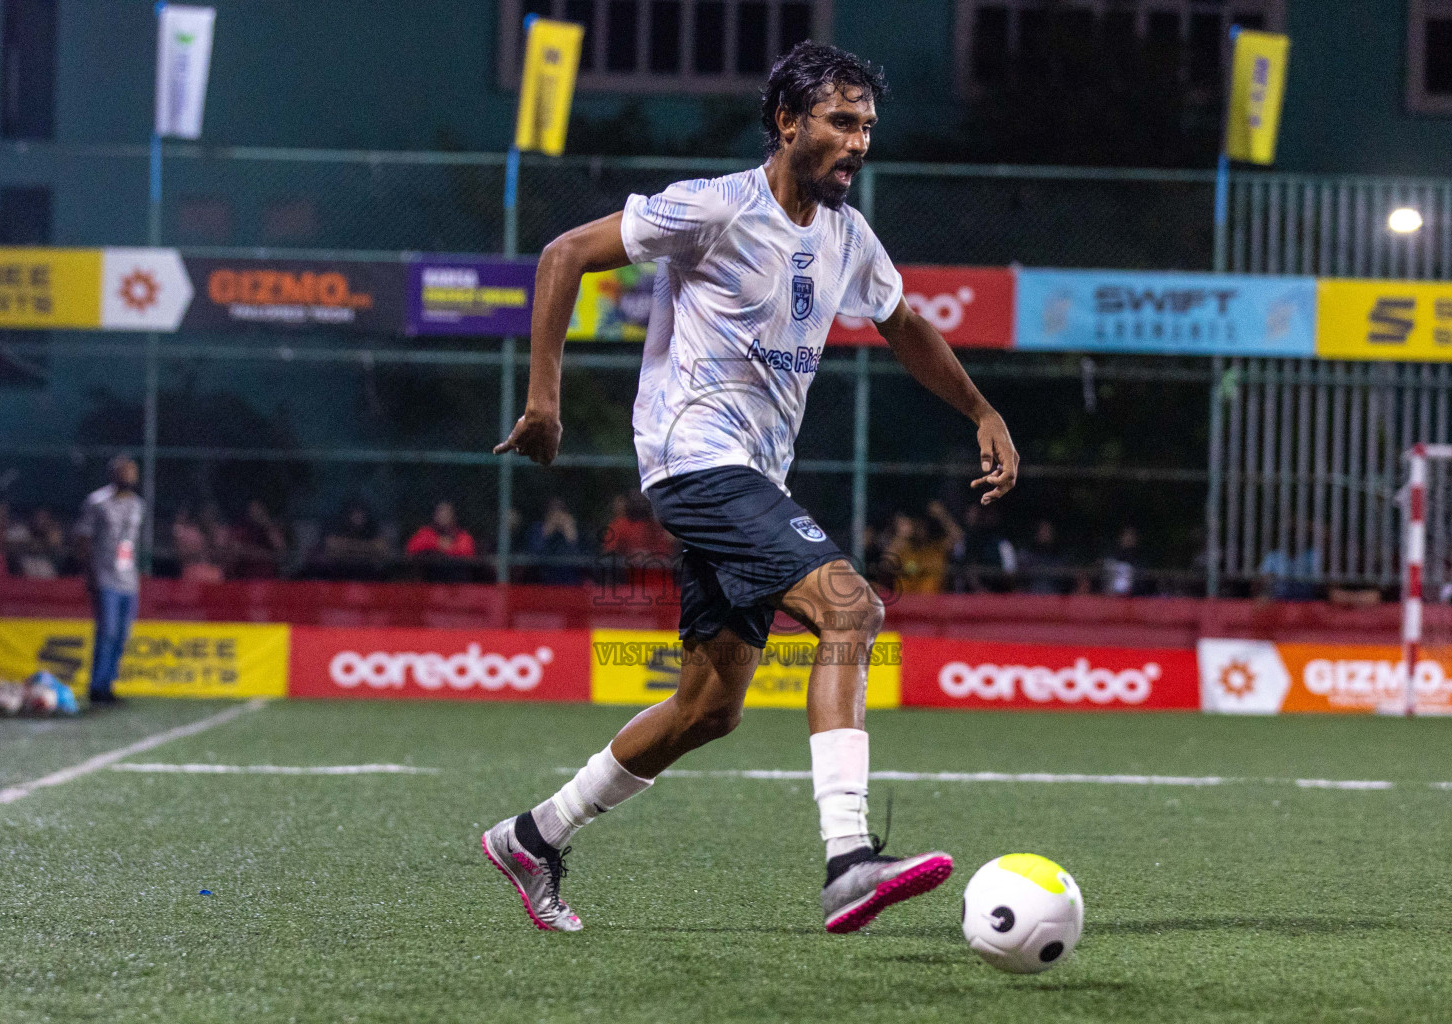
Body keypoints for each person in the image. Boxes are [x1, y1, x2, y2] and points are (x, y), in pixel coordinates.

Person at [486, 42, 1019, 935]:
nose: (857, 143)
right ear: (787, 122)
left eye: (867, 128)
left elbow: (906, 325)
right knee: (853, 609)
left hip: (750, 474)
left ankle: (534, 837)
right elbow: (563, 254)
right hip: (695, 459)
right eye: (841, 123)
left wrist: (981, 410)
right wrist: (545, 399)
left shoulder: (847, 235)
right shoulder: (716, 208)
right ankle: (848, 860)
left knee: (709, 707)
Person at [74, 456, 144, 706]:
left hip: (129, 579)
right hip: (105, 576)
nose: (130, 476)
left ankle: (109, 684)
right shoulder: (98, 502)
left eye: (133, 472)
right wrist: (90, 573)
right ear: (114, 474)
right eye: (125, 472)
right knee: (107, 632)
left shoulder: (138, 505)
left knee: (122, 633)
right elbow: (83, 538)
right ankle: (97, 686)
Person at [524, 497, 586, 585]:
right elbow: (532, 557)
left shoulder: (575, 529)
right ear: (546, 514)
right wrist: (546, 532)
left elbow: (585, 562)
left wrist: (571, 537)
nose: (557, 515)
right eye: (552, 511)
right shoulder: (537, 529)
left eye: (561, 510)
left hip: (571, 585)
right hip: (542, 584)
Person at [406, 501, 476, 559]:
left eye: (447, 514)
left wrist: (449, 548)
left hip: (455, 572)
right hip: (429, 572)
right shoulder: (426, 532)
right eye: (440, 514)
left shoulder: (461, 535)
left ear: (453, 517)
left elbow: (467, 551)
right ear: (435, 517)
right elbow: (411, 547)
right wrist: (436, 543)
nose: (443, 516)